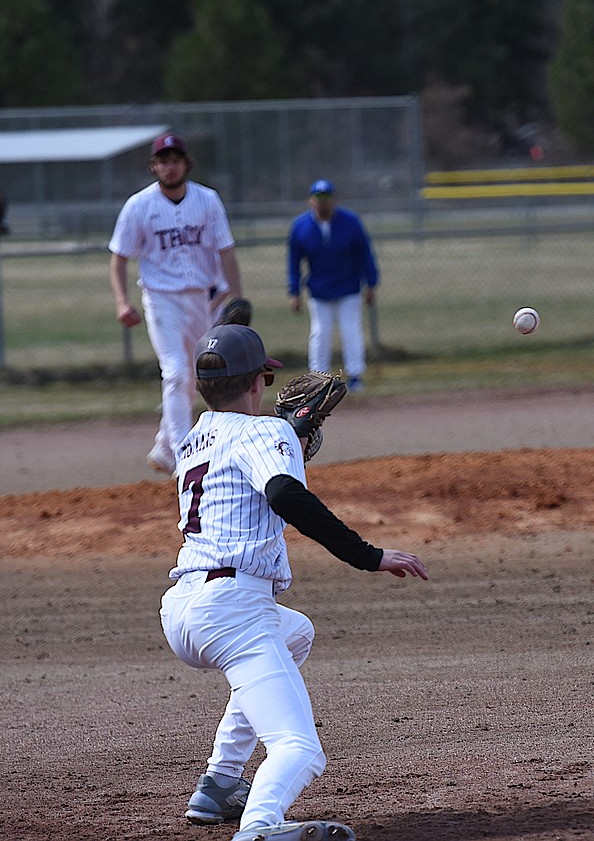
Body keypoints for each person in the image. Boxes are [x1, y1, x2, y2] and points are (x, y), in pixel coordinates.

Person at [160, 323, 429, 841]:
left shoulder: (193, 440)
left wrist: (285, 433)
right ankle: (258, 829)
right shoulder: (268, 433)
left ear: (200, 387)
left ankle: (220, 781)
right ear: (259, 382)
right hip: (233, 610)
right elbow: (284, 494)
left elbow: (243, 460)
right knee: (299, 749)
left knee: (295, 632)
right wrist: (368, 556)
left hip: (183, 609)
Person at [109, 132, 244, 476]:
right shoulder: (139, 206)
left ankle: (165, 446)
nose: (170, 167)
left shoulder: (208, 200)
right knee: (176, 372)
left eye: (176, 160)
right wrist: (122, 302)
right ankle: (187, 457)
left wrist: (239, 297)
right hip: (162, 298)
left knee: (200, 373)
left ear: (186, 164)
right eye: (163, 161)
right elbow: (119, 259)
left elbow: (226, 250)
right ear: (154, 167)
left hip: (204, 298)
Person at [286, 179, 379, 393]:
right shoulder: (301, 227)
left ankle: (355, 375)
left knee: (351, 331)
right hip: (319, 291)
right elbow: (293, 261)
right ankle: (318, 379)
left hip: (348, 288)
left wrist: (371, 283)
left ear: (334, 200)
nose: (323, 203)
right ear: (310, 201)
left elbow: (365, 254)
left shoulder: (350, 222)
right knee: (320, 332)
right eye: (318, 199)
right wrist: (294, 291)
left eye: (327, 199)